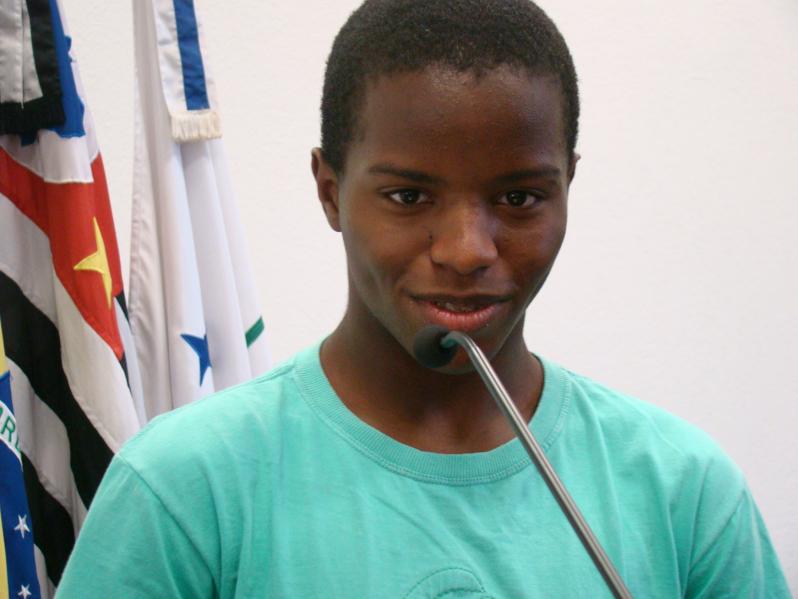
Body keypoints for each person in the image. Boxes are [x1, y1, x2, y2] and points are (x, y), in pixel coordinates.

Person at [56, 0, 790, 597]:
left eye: (519, 197)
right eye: (409, 196)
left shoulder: (684, 494)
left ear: (568, 185)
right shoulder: (184, 491)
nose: (467, 250)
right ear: (330, 190)